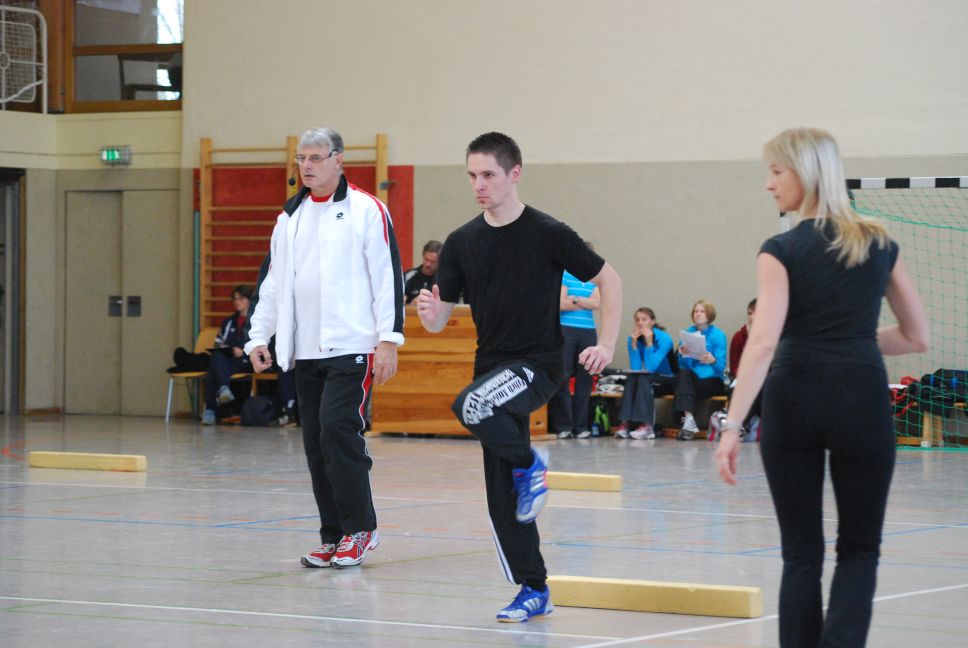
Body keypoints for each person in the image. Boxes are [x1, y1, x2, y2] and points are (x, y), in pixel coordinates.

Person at [716, 128, 929, 647]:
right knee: (860, 548)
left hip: (794, 399)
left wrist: (732, 426)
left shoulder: (780, 249)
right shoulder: (880, 243)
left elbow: (763, 343)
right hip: (860, 398)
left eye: (776, 172)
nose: (769, 184)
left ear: (805, 173)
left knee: (801, 553)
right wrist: (849, 340)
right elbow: (916, 337)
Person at [415, 132, 622, 623]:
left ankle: (532, 463)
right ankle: (534, 588)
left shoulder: (548, 232)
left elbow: (608, 279)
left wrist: (606, 344)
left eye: (488, 174)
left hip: (538, 366)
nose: (478, 185)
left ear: (514, 174)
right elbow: (441, 319)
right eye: (472, 176)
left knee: (471, 405)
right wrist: (429, 312)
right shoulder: (462, 242)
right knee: (502, 496)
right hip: (491, 369)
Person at [244, 127, 405, 569]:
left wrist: (388, 339)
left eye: (317, 157)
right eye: (302, 158)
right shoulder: (289, 217)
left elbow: (388, 276)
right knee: (317, 444)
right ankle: (333, 536)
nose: (308, 166)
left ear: (338, 160)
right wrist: (258, 336)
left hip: (353, 345)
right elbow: (272, 283)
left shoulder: (367, 210)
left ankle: (361, 530)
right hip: (305, 350)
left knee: (338, 431)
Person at [549, 259, 600, 439]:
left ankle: (581, 426)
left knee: (585, 379)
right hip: (566, 330)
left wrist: (576, 299)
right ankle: (564, 426)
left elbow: (598, 303)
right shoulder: (565, 276)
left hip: (588, 332)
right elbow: (561, 304)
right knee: (563, 376)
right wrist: (586, 302)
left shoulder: (594, 278)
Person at [613, 307, 676, 440]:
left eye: (644, 319)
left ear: (652, 322)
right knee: (632, 378)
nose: (640, 323)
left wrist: (649, 343)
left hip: (668, 378)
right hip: (649, 377)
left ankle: (647, 426)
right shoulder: (632, 339)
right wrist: (634, 345)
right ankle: (625, 424)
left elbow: (651, 367)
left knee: (644, 379)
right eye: (637, 320)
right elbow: (636, 368)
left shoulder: (664, 339)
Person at [674, 299, 727, 440]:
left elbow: (721, 367)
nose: (698, 314)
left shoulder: (718, 335)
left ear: (709, 314)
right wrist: (683, 355)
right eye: (696, 311)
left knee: (684, 385)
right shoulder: (688, 332)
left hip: (712, 379)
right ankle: (689, 419)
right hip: (693, 378)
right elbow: (683, 366)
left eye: (702, 311)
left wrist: (712, 360)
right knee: (683, 375)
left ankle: (687, 423)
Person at [201, 284, 254, 425]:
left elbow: (262, 345)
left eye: (241, 299)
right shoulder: (229, 322)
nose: (237, 302)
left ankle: (210, 410)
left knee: (213, 369)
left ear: (249, 300)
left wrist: (243, 352)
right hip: (229, 361)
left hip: (248, 361)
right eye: (235, 299)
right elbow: (218, 343)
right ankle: (223, 390)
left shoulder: (256, 321)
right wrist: (228, 349)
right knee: (216, 357)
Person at [727, 298, 761, 440]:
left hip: (764, 379)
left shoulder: (772, 336)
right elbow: (734, 365)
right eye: (749, 313)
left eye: (756, 313)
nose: (752, 317)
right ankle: (738, 425)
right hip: (743, 378)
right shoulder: (739, 336)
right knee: (737, 389)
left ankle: (742, 423)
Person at [403, 240, 442, 304]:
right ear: (423, 256)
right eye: (426, 259)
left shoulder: (443, 280)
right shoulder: (408, 276)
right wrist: (411, 304)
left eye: (433, 262)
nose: (428, 264)